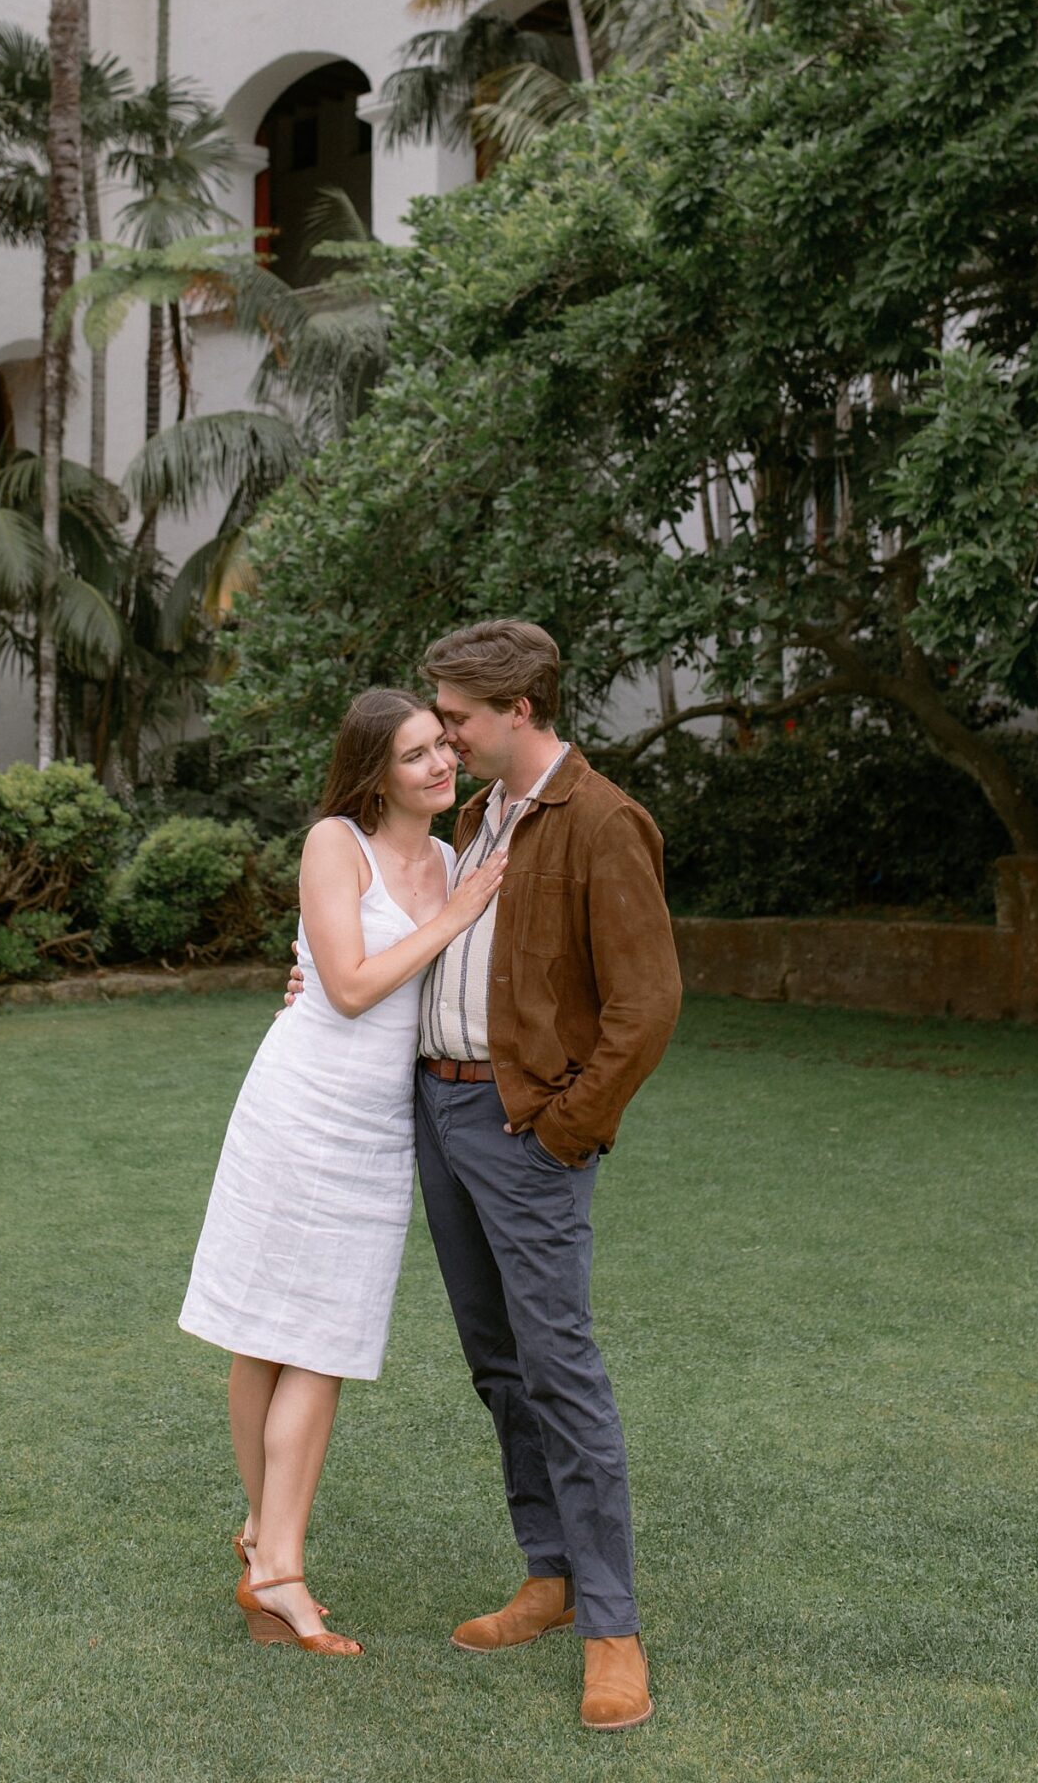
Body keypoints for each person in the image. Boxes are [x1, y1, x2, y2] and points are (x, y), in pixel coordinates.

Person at [286, 620, 682, 1730]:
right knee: (498, 1365)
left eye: (456, 715)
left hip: (525, 1129)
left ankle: (612, 1626)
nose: (444, 733)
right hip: (440, 1110)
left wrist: (563, 1134)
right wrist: (304, 979)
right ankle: (548, 1576)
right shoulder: (478, 819)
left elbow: (646, 1007)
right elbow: (405, 947)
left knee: (561, 1367)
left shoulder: (604, 820)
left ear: (519, 709)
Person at [178, 687, 509, 1657]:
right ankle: (277, 1566)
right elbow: (355, 985)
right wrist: (453, 915)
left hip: (375, 1128)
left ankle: (263, 1545)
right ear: (375, 772)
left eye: (441, 747)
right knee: (276, 1337)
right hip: (298, 1107)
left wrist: (451, 906)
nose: (440, 765)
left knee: (316, 1335)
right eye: (414, 756)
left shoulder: (450, 855)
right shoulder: (336, 841)